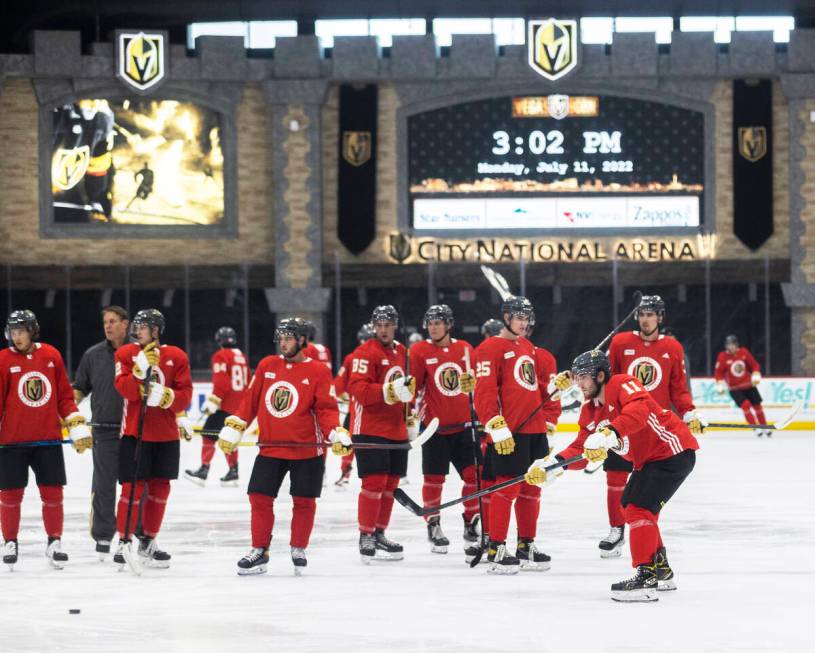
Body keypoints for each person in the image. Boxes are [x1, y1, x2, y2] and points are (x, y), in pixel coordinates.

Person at [526, 350, 698, 602]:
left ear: (600, 374)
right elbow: (581, 448)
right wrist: (554, 464)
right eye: (576, 378)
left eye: (583, 377)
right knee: (632, 507)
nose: (579, 384)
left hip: (672, 451)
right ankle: (660, 570)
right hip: (650, 460)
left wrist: (610, 433)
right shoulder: (591, 411)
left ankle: (645, 578)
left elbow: (638, 410)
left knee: (638, 509)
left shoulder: (621, 383)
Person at [218, 317, 345, 576]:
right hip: (272, 446)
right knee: (259, 497)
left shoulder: (319, 371)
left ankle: (298, 547)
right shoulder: (267, 365)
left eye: (289, 338)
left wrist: (336, 432)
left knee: (304, 501)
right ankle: (259, 550)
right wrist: (236, 425)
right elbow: (250, 402)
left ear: (301, 340)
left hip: (308, 449)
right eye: (281, 338)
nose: (283, 343)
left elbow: (326, 409)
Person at [591, 294, 703, 559]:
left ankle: (647, 542)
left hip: (654, 432)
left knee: (645, 498)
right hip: (622, 425)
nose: (645, 319)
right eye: (642, 314)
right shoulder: (621, 343)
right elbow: (606, 380)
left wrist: (689, 413)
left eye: (651, 314)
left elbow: (678, 388)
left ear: (660, 317)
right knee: (616, 478)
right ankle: (616, 530)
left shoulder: (673, 348)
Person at [0, 310, 92, 569]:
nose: (16, 337)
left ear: (32, 330)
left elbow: (64, 395)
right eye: (13, 332)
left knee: (52, 493)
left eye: (21, 331)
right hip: (12, 442)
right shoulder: (3, 360)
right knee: (10, 495)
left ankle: (54, 541)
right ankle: (10, 541)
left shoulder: (51, 355)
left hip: (48, 440)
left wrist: (75, 422)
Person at [473, 296, 555, 574]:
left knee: (532, 488)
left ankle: (525, 544)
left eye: (526, 318)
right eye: (519, 317)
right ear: (506, 317)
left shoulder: (527, 346)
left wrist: (555, 387)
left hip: (534, 430)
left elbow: (532, 388)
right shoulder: (489, 348)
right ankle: (496, 548)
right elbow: (483, 391)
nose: (523, 322)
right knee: (506, 488)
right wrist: (495, 425)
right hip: (510, 432)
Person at [112, 308, 193, 570]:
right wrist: (140, 369)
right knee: (131, 488)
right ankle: (124, 541)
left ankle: (148, 540)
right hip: (135, 433)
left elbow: (185, 393)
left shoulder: (176, 356)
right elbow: (124, 389)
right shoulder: (125, 353)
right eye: (136, 326)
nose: (137, 330)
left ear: (156, 330)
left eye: (143, 326)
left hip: (166, 435)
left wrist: (169, 398)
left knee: (161, 490)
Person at [409, 304, 478, 556]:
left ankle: (472, 521)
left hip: (464, 426)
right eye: (430, 322)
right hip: (434, 428)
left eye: (438, 322)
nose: (433, 326)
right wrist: (407, 414)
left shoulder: (466, 349)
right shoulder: (418, 350)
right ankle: (433, 523)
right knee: (434, 479)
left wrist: (474, 385)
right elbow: (413, 388)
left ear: (448, 324)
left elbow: (478, 385)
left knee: (474, 476)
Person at [347, 305, 414, 563]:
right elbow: (359, 391)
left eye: (388, 324)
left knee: (390, 486)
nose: (383, 329)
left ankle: (379, 532)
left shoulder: (403, 353)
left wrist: (410, 418)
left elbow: (408, 392)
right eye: (380, 325)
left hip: (396, 431)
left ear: (395, 325)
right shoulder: (365, 353)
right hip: (370, 429)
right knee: (373, 484)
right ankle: (365, 534)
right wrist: (390, 390)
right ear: (374, 326)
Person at [73, 305, 129, 559]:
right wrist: (69, 416)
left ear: (126, 324)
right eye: (105, 321)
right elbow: (80, 389)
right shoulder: (93, 355)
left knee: (136, 487)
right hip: (105, 431)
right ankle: (104, 535)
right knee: (103, 486)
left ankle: (134, 534)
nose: (108, 326)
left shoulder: (139, 354)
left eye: (113, 321)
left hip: (134, 433)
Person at [184, 326, 249, 486]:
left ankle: (203, 470)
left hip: (225, 405)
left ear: (219, 340)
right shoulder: (242, 356)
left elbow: (222, 383)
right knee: (229, 437)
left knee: (207, 434)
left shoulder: (220, 355)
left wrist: (214, 400)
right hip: (239, 405)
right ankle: (233, 471)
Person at [332, 323, 375, 486]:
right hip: (365, 411)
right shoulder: (354, 358)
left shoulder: (353, 357)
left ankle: (347, 471)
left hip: (360, 412)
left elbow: (339, 383)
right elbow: (340, 383)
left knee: (349, 440)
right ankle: (346, 470)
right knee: (347, 441)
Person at [715, 335, 768, 436]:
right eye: (728, 345)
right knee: (745, 406)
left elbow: (754, 365)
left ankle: (764, 427)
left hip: (748, 385)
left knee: (758, 406)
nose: (731, 347)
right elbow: (718, 373)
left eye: (732, 345)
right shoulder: (722, 356)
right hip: (735, 389)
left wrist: (756, 374)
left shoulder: (743, 352)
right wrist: (719, 384)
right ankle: (755, 428)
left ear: (736, 345)